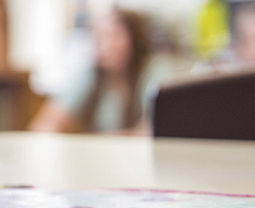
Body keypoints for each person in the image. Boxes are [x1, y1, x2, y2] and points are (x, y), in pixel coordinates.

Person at [29, 8, 172, 134]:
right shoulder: (88, 76)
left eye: (113, 35)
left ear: (134, 38)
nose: (105, 45)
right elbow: (45, 124)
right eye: (99, 36)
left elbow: (152, 131)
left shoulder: (154, 72)